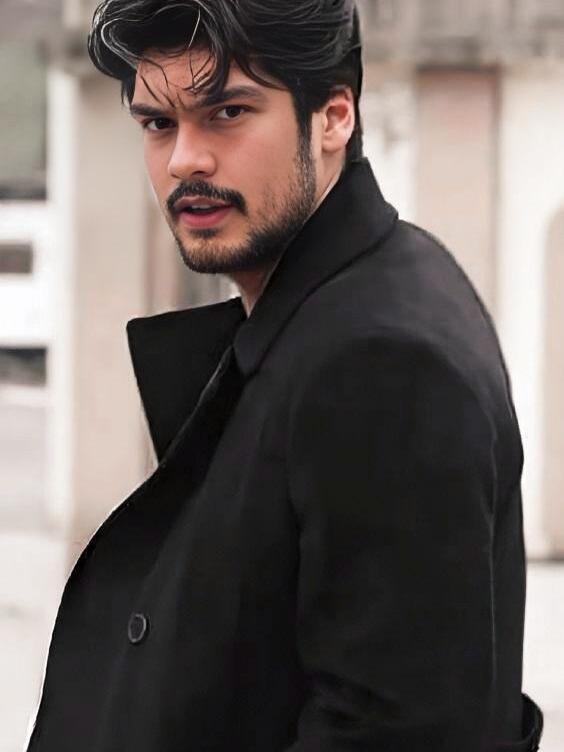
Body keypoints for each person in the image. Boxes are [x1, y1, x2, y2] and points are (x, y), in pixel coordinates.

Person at [27, 1, 543, 750]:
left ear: (333, 117)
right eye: (159, 124)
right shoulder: (367, 288)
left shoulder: (382, 363)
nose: (185, 160)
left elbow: (396, 730)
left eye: (227, 113)